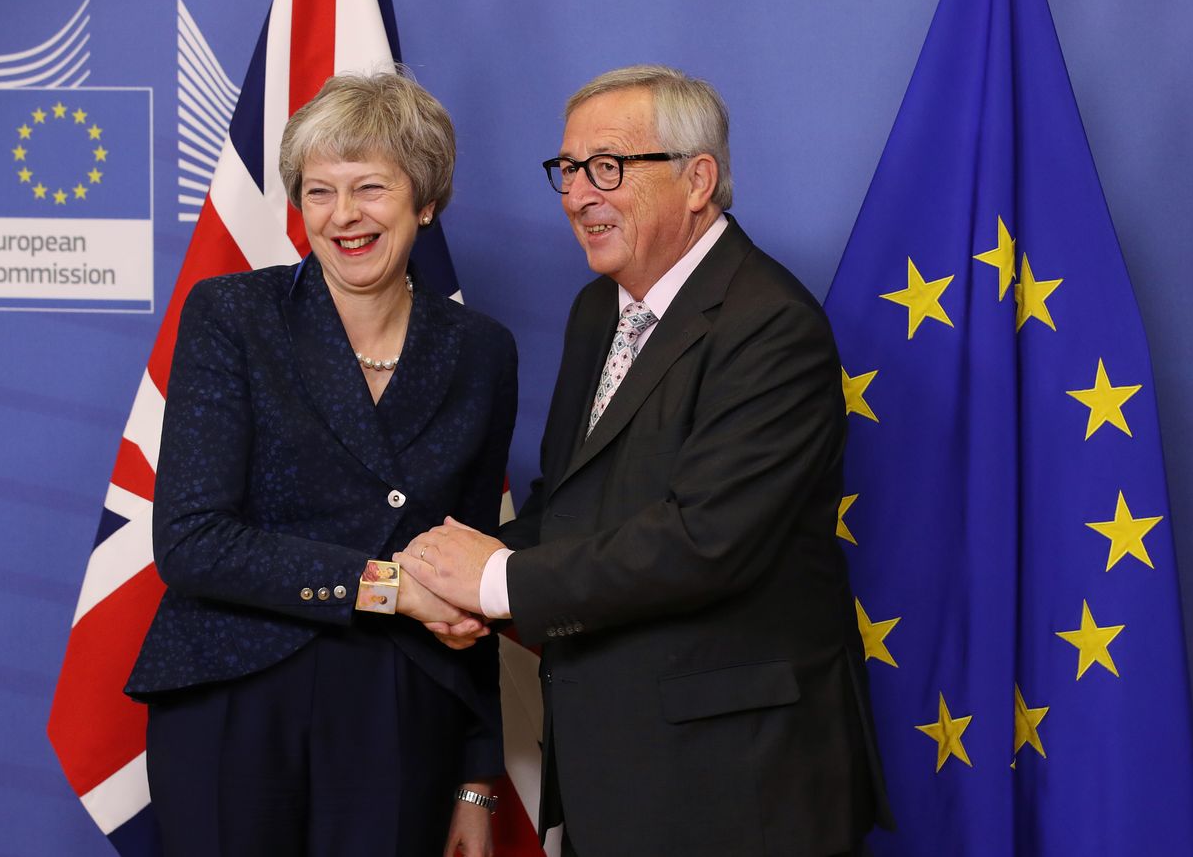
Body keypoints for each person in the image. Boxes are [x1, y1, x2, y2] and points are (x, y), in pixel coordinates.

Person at [398, 65, 893, 856]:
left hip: (739, 788)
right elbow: (569, 507)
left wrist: (495, 581)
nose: (577, 194)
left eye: (608, 167)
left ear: (698, 180)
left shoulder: (773, 327)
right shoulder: (599, 308)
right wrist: (453, 585)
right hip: (617, 772)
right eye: (567, 169)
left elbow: (704, 543)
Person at [125, 72, 516, 857]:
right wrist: (387, 586)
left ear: (425, 200)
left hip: (401, 706)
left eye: (370, 187)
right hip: (235, 695)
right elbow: (193, 541)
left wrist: (478, 777)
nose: (344, 216)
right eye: (318, 191)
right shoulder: (232, 315)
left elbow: (473, 573)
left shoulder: (481, 351)